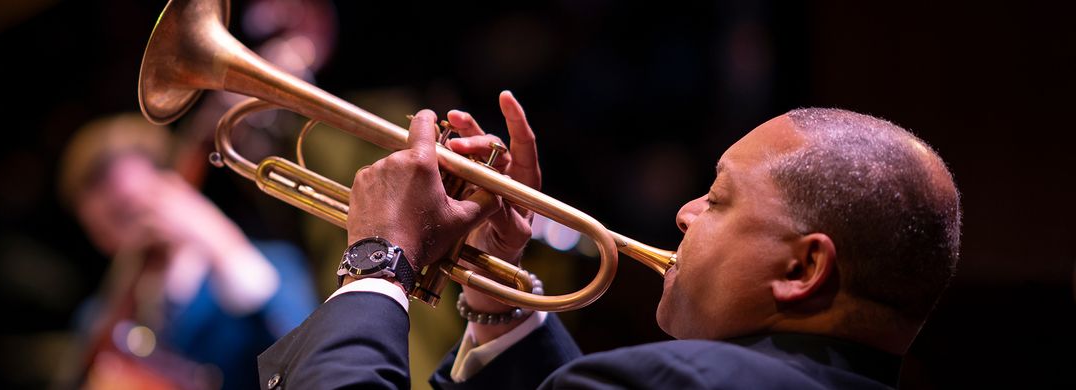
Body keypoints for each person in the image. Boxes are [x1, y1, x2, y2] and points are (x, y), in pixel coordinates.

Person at [255, 91, 962, 389]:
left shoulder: (677, 382)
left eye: (717, 199)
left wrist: (378, 259)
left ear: (804, 266)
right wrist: (495, 287)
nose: (684, 214)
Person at [56, 113, 319, 390]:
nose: (118, 239)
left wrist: (224, 247)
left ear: (173, 190)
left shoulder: (271, 264)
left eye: (127, 211)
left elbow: (308, 356)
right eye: (101, 228)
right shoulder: (99, 318)